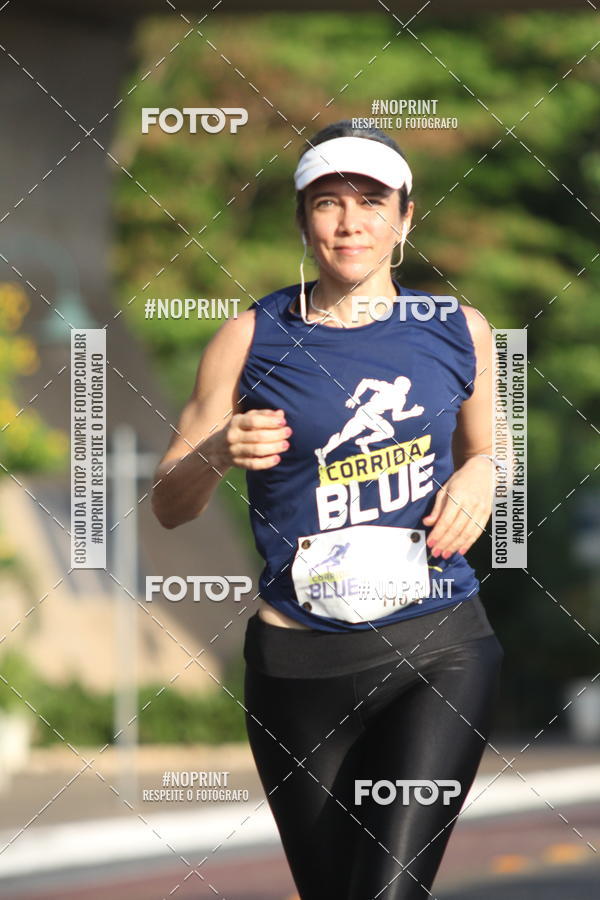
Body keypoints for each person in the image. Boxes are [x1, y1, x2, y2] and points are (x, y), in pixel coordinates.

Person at [152, 120, 505, 899]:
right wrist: (218, 451)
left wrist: (483, 473)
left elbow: (490, 450)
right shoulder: (248, 337)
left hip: (438, 645)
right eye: (328, 202)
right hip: (298, 664)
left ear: (405, 218)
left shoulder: (461, 329)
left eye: (372, 202)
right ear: (302, 220)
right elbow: (169, 505)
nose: (350, 223)